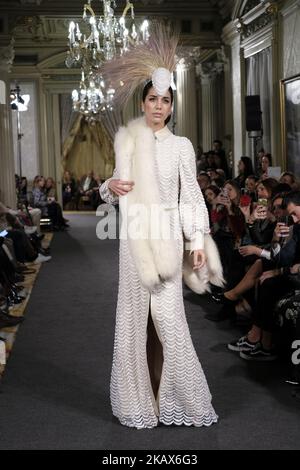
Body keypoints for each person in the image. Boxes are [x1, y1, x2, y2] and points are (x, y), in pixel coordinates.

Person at [99, 26, 221, 429]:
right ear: (143, 102)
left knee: (169, 319)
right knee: (135, 319)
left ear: (171, 106)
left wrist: (197, 239)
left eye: (164, 101)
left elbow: (192, 198)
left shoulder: (182, 146)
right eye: (152, 99)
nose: (157, 106)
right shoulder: (128, 141)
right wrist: (109, 187)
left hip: (168, 236)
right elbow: (114, 187)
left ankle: (182, 400)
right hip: (135, 238)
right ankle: (139, 400)